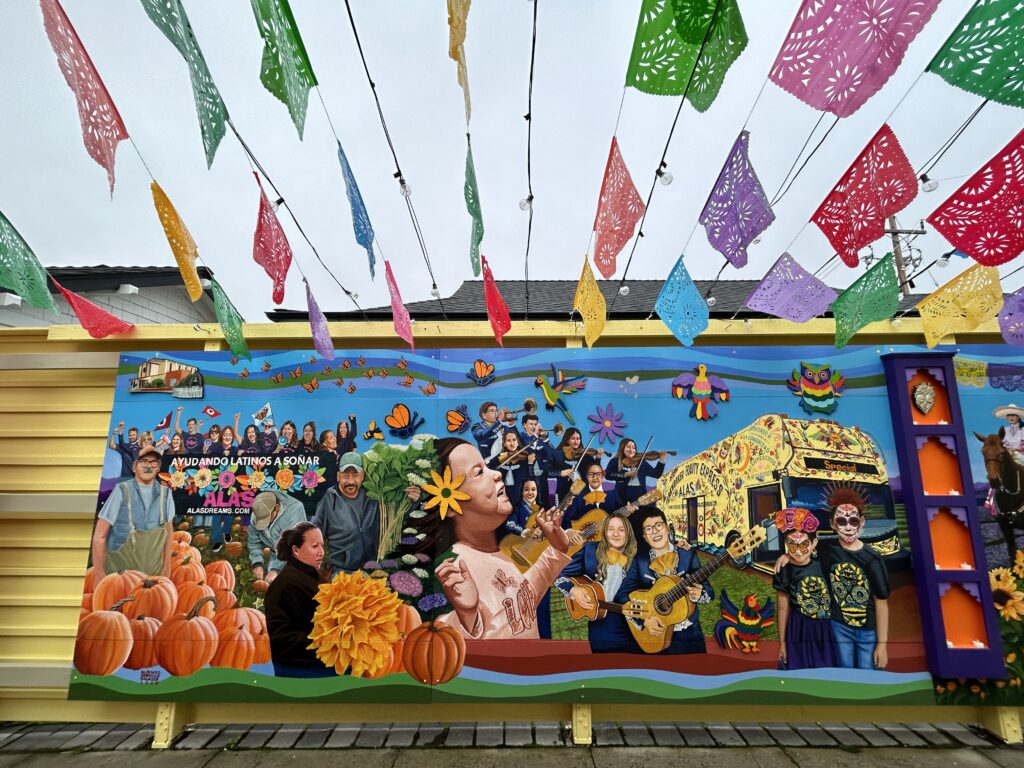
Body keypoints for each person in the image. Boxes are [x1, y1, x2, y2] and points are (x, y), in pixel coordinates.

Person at [417, 438, 572, 640]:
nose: (497, 474)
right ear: (448, 504)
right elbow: (443, 641)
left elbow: (522, 601)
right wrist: (466, 614)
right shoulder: (453, 564)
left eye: (487, 467)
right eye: (479, 472)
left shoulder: (498, 553)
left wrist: (557, 548)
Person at [616, 507, 711, 655]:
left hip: (689, 635)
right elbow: (622, 596)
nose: (654, 532)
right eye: (648, 529)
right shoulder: (640, 562)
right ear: (645, 536)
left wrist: (700, 593)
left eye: (658, 525)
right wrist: (643, 620)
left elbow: (709, 591)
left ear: (667, 528)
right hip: (654, 635)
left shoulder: (688, 555)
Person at [313, 452, 421, 574]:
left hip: (373, 569)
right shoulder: (328, 500)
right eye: (345, 475)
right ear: (338, 476)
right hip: (342, 571)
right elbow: (314, 534)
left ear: (362, 476)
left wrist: (413, 501)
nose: (350, 481)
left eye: (355, 475)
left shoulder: (373, 497)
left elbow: (397, 517)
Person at [818, 489, 889, 670]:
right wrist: (785, 556)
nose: (848, 527)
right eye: (841, 521)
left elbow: (881, 602)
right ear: (833, 524)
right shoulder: (826, 550)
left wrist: (882, 644)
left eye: (854, 521)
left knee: (869, 674)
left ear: (862, 522)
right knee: (845, 672)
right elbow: (802, 551)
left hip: (867, 631)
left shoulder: (873, 559)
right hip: (839, 627)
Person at [555, 513, 638, 652]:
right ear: (604, 532)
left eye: (621, 529)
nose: (616, 534)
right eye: (611, 529)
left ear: (629, 533)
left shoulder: (638, 556)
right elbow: (558, 574)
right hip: (600, 622)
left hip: (631, 624)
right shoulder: (589, 550)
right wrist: (573, 589)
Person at [264, 522, 335, 678]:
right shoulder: (284, 585)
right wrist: (327, 640)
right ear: (296, 550)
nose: (321, 553)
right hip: (302, 671)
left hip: (325, 662)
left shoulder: (311, 576)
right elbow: (280, 639)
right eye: (315, 546)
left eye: (322, 546)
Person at [90, 447, 174, 577]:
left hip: (152, 581)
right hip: (120, 578)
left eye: (153, 463)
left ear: (158, 468)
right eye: (144, 461)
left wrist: (166, 567)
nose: (148, 466)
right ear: (135, 466)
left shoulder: (166, 493)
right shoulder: (121, 490)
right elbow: (99, 536)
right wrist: (99, 572)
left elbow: (169, 533)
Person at [772, 509, 834, 670]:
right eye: (792, 544)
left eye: (804, 544)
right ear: (786, 544)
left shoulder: (824, 563)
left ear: (813, 544)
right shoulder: (784, 570)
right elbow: (782, 608)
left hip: (826, 629)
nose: (798, 551)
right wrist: (783, 643)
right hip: (799, 629)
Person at [248, 490, 307, 583]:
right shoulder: (258, 510)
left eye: (267, 517)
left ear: (277, 507)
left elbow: (291, 545)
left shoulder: (294, 510)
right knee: (272, 583)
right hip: (275, 551)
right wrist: (257, 563)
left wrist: (275, 569)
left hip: (296, 553)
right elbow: (253, 541)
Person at [566, 464, 630, 527]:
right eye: (591, 474)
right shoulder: (578, 497)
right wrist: (569, 531)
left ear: (602, 476)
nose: (595, 477)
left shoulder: (613, 494)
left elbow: (621, 519)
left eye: (598, 474)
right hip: (585, 536)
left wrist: (627, 513)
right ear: (587, 477)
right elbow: (568, 519)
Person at [552, 428, 604, 504]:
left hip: (582, 492)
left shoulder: (585, 455)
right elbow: (548, 471)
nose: (576, 441)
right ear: (567, 440)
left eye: (578, 439)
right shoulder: (559, 454)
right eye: (573, 438)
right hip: (563, 491)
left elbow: (594, 470)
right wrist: (560, 472)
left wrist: (598, 458)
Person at [605, 439, 667, 504]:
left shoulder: (641, 462)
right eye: (628, 447)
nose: (631, 450)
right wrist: (625, 474)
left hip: (640, 494)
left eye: (634, 448)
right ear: (622, 448)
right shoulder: (615, 461)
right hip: (622, 494)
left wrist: (662, 460)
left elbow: (656, 474)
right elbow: (608, 475)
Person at [487, 429, 532, 507]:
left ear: (518, 442)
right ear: (504, 444)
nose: (512, 443)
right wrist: (507, 455)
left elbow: (530, 477)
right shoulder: (501, 457)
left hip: (519, 495)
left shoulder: (524, 458)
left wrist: (530, 463)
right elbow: (489, 468)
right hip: (502, 495)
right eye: (508, 440)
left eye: (514, 440)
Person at [519, 414, 555, 507]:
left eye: (535, 424)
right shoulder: (520, 438)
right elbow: (527, 451)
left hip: (541, 474)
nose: (533, 427)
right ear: (524, 425)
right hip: (525, 474)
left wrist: (546, 439)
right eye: (531, 424)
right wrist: (534, 436)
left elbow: (552, 455)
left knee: (545, 499)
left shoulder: (540, 439)